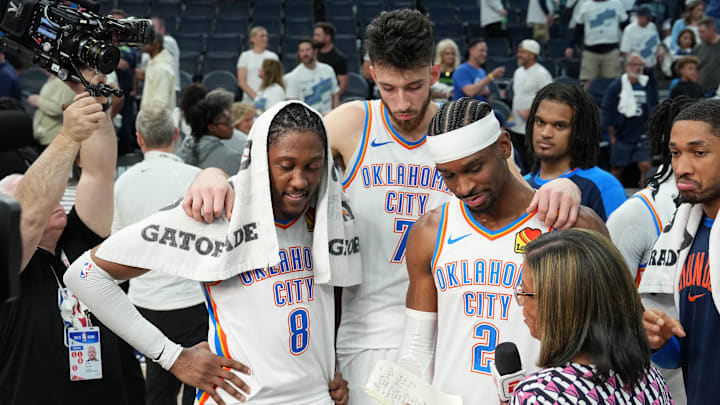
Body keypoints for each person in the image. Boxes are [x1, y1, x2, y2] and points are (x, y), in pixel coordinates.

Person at [64, 101, 352, 405]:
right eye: (285, 166)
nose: (300, 180)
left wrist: (337, 370)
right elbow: (85, 275)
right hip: (243, 398)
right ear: (259, 161)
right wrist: (173, 356)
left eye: (313, 166)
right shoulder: (218, 210)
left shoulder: (328, 212)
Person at [397, 98, 607, 405]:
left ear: (504, 146)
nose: (464, 187)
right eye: (448, 175)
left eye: (474, 168)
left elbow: (610, 334)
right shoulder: (429, 231)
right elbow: (418, 344)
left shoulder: (571, 223)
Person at [0, 75, 133, 404]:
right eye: (41, 198)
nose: (54, 199)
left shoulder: (75, 240)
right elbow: (30, 215)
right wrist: (68, 134)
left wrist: (92, 98)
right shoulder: (9, 267)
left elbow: (99, 171)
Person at [509, 229, 673, 404]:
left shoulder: (538, 395)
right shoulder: (650, 379)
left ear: (560, 305)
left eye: (526, 292)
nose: (521, 301)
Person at [112, 106, 206, 405]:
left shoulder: (122, 184)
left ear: (139, 140)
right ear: (176, 135)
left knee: (157, 387)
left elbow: (117, 249)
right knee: (202, 383)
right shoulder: (198, 178)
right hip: (192, 300)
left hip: (145, 304)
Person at [642, 99, 720, 405]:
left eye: (699, 153)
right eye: (676, 153)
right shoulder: (680, 236)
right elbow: (680, 355)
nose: (682, 168)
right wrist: (658, 340)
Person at [525, 82, 626, 221]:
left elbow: (615, 242)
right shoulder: (522, 185)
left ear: (579, 131)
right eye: (540, 122)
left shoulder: (604, 186)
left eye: (559, 126)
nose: (546, 133)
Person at [602, 53, 658, 186]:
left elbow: (653, 108)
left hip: (642, 135)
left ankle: (645, 195)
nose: (638, 68)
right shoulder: (616, 86)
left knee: (645, 166)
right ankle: (613, 193)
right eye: (635, 64)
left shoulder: (647, 85)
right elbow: (607, 111)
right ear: (627, 67)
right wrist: (612, 136)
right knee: (617, 168)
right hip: (622, 135)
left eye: (641, 65)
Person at [509, 39, 553, 172]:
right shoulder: (518, 72)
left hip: (532, 127)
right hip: (516, 126)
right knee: (520, 162)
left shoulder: (542, 73)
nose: (518, 54)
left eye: (522, 52)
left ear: (532, 54)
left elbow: (550, 98)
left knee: (533, 163)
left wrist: (532, 112)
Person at [177, 93, 243, 174]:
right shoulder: (233, 158)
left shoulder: (180, 154)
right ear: (211, 127)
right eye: (227, 123)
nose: (232, 126)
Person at [567, 0, 628, 86]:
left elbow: (625, 27)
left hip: (611, 50)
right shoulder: (586, 6)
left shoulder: (616, 4)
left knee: (612, 83)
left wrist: (625, 47)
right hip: (590, 51)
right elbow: (579, 29)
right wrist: (570, 46)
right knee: (587, 83)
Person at [285, 39, 339, 114]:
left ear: (315, 51)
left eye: (307, 50)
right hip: (309, 123)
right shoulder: (294, 76)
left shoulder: (328, 70)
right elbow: (293, 106)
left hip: (329, 117)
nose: (304, 53)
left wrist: (335, 115)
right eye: (302, 50)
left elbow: (335, 95)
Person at [236, 27, 279, 103]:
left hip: (269, 100)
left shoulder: (273, 56)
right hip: (249, 100)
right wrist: (256, 98)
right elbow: (242, 82)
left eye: (266, 36)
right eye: (262, 36)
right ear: (253, 39)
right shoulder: (245, 56)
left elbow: (276, 79)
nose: (265, 39)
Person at [32, 75, 77, 147]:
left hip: (54, 137)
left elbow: (60, 108)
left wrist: (38, 101)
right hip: (45, 135)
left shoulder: (64, 82)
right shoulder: (53, 78)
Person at [139, 34, 176, 112]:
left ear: (157, 44)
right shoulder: (154, 64)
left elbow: (160, 105)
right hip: (149, 120)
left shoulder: (162, 69)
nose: (142, 43)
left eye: (146, 40)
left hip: (156, 122)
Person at [314, 22, 348, 96]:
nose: (314, 38)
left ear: (328, 37)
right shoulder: (313, 53)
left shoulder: (338, 58)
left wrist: (334, 98)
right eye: (315, 35)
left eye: (318, 35)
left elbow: (343, 83)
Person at [694, 17, 720, 96]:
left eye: (702, 32)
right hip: (700, 90)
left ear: (712, 30)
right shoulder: (698, 47)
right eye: (699, 32)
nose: (700, 35)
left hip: (717, 92)